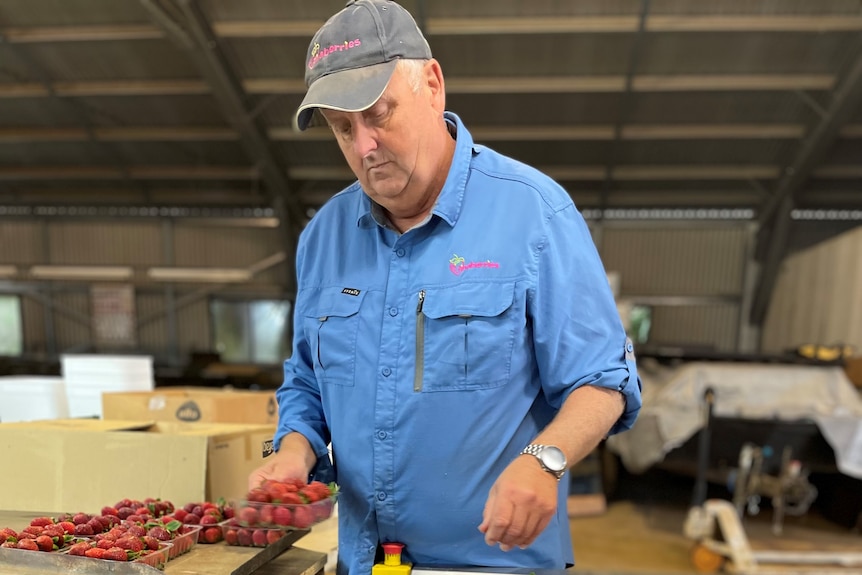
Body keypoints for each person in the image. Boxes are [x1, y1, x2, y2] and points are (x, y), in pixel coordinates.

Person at [248, 1, 642, 573]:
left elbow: (602, 381)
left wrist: (545, 460)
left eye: (379, 114)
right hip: (364, 560)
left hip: (495, 563)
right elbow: (308, 381)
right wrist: (292, 451)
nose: (364, 147)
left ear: (432, 84)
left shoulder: (533, 215)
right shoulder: (324, 237)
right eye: (342, 128)